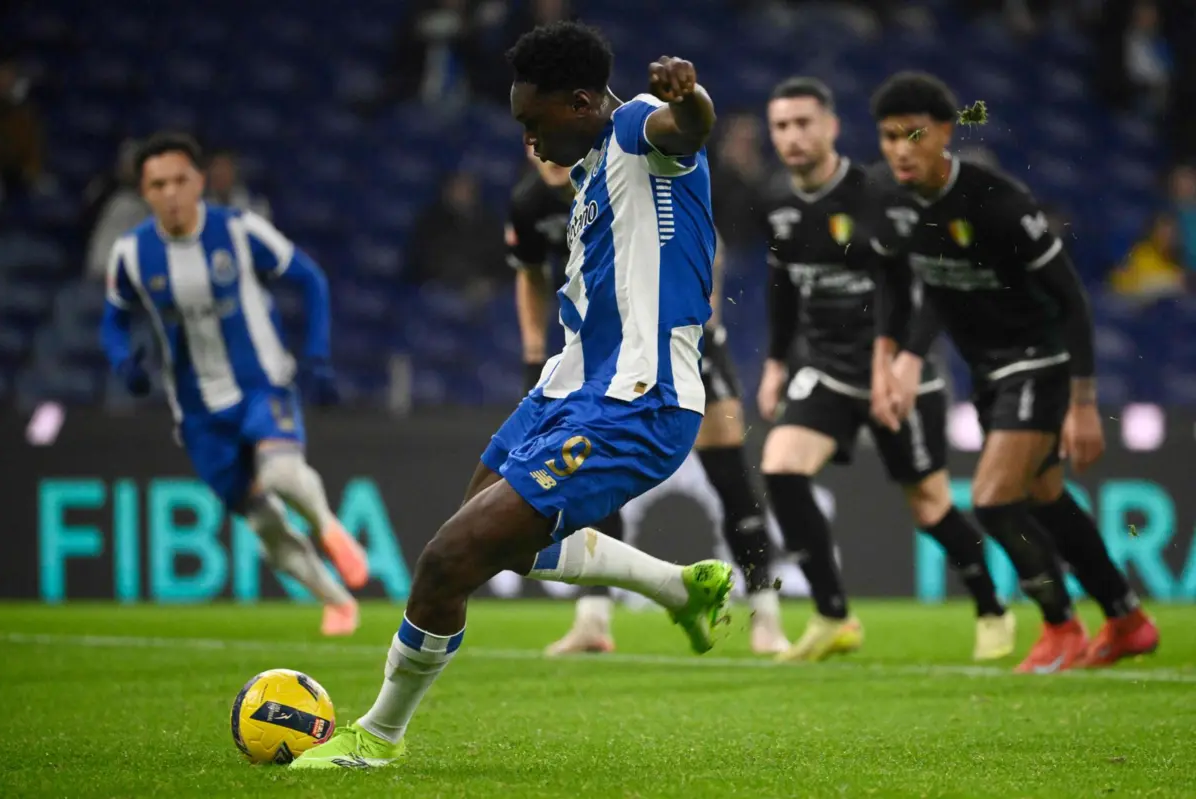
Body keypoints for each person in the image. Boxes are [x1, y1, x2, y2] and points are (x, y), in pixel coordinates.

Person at [291, 22, 733, 770]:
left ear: (584, 101)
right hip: (567, 389)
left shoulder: (634, 132)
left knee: (445, 559)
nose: (528, 139)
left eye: (535, 122)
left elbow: (686, 127)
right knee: (496, 545)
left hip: (637, 400)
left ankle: (376, 736)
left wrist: (691, 98)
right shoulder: (591, 165)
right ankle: (675, 587)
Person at [867, 72, 1160, 672]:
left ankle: (1061, 627)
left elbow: (1072, 300)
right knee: (1047, 497)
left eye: (912, 134)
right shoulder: (894, 202)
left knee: (996, 499)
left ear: (945, 132)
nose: (899, 149)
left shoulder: (995, 201)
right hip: (989, 371)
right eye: (888, 137)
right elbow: (921, 286)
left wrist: (1083, 403)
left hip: (1041, 362)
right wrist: (901, 356)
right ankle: (1127, 618)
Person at [755, 77, 1013, 664]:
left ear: (830, 127)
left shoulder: (877, 194)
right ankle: (833, 615)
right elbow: (781, 290)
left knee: (929, 505)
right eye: (781, 126)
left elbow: (921, 287)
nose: (792, 137)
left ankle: (992, 607)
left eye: (803, 123)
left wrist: (899, 364)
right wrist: (774, 363)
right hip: (827, 368)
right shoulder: (779, 202)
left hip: (898, 372)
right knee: (781, 469)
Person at [508, 147, 786, 656]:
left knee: (728, 473)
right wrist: (532, 350)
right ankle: (593, 618)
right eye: (528, 140)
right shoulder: (530, 203)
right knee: (595, 473)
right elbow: (529, 274)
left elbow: (709, 240)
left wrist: (699, 323)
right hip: (606, 353)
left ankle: (766, 611)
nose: (539, 149)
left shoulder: (622, 167)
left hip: (681, 337)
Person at [99, 132, 369, 637]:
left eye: (181, 180)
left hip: (261, 383)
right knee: (264, 522)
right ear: (145, 192)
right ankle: (337, 603)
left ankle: (329, 528)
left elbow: (310, 278)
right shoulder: (132, 254)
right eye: (159, 184)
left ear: (200, 182)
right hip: (198, 411)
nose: (172, 193)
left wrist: (316, 355)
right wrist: (123, 363)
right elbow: (112, 319)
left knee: (285, 477)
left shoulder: (239, 230)